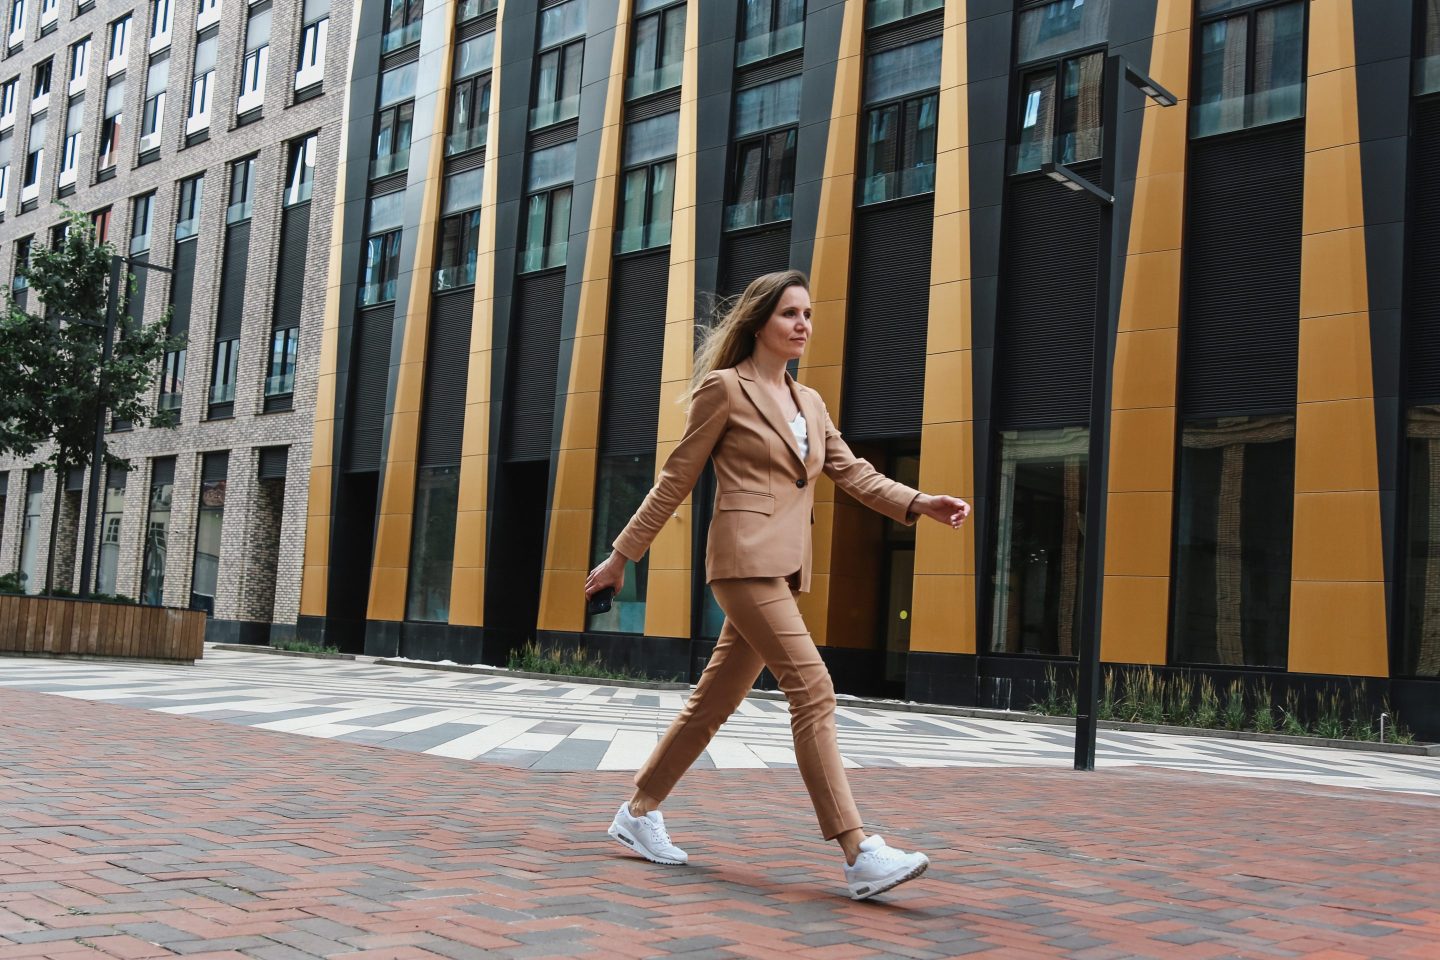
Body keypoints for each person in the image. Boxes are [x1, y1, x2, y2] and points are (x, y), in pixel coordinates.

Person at [584, 269, 971, 900]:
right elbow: (675, 480)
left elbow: (855, 474)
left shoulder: (809, 402)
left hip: (784, 567)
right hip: (741, 560)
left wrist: (919, 501)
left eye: (809, 315)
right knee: (813, 686)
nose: (803, 326)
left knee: (714, 701)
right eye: (791, 314)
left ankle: (637, 810)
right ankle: (858, 850)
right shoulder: (724, 390)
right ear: (760, 321)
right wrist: (623, 555)